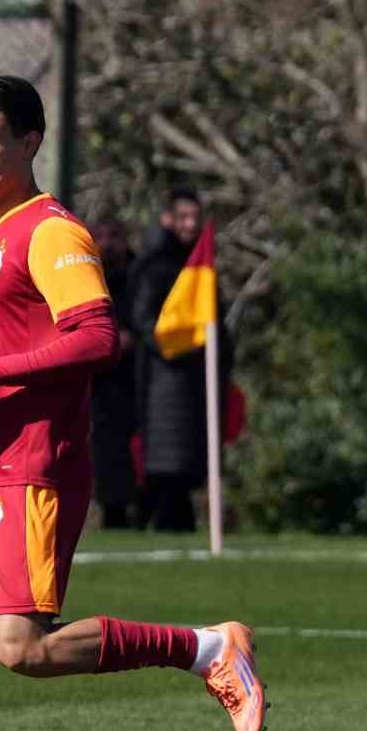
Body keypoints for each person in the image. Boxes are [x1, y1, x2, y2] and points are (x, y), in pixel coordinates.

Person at [0, 74, 265, 731]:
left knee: (20, 648)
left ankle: (209, 649)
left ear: (30, 142)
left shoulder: (49, 230)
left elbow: (98, 338)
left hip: (29, 467)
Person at [128, 187, 231, 532]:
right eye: (183, 217)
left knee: (191, 457)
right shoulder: (155, 265)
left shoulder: (201, 265)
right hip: (163, 376)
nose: (190, 224)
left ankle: (181, 518)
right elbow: (142, 318)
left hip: (197, 376)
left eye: (195, 217)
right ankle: (162, 518)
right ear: (167, 219)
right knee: (166, 458)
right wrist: (176, 344)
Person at [87, 218, 139, 528]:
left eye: (114, 236)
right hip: (99, 380)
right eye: (101, 237)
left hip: (134, 377)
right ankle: (111, 512)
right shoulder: (86, 275)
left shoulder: (136, 275)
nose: (107, 244)